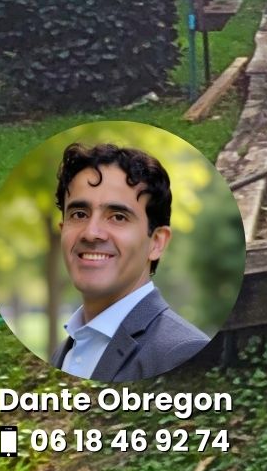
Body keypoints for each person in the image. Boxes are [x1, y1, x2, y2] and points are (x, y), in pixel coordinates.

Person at [49, 143, 210, 381]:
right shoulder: (65, 352)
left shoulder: (181, 352)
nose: (91, 233)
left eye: (118, 217)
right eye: (79, 214)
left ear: (156, 243)